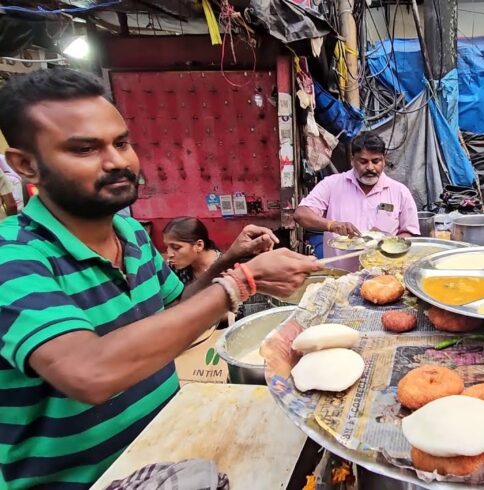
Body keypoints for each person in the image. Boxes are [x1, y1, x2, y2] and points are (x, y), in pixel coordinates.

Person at [0, 68, 322, 489]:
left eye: (121, 142)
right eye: (84, 149)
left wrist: (229, 259)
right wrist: (242, 280)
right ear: (26, 166)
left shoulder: (131, 233)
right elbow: (87, 372)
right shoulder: (14, 256)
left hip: (167, 454)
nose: (117, 161)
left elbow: (177, 315)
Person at [294, 131, 420, 270]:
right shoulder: (332, 184)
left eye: (376, 161)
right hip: (339, 276)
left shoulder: (400, 192)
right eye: (363, 161)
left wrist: (388, 241)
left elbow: (410, 234)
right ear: (353, 160)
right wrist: (332, 225)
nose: (370, 167)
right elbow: (301, 215)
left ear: (384, 160)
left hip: (384, 277)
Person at [163, 217, 222, 285]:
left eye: (176, 247)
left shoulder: (224, 270)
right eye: (167, 247)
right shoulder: (173, 268)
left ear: (199, 245)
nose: (169, 254)